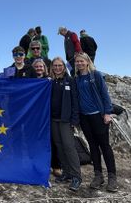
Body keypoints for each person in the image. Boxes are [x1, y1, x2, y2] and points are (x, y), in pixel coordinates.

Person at [74, 52, 117, 192]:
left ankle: (112, 177)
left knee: (105, 146)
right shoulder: (76, 79)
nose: (79, 63)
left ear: (87, 62)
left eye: (81, 61)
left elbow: (105, 94)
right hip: (84, 118)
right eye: (77, 62)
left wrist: (107, 112)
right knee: (92, 146)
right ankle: (98, 175)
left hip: (98, 116)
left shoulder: (96, 75)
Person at [49, 56, 81, 192]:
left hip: (65, 120)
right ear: (52, 67)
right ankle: (66, 173)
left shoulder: (70, 80)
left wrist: (74, 120)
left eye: (59, 65)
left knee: (69, 147)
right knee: (59, 146)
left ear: (63, 66)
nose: (57, 68)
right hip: (53, 119)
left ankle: (76, 176)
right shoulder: (50, 82)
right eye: (55, 65)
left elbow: (75, 101)